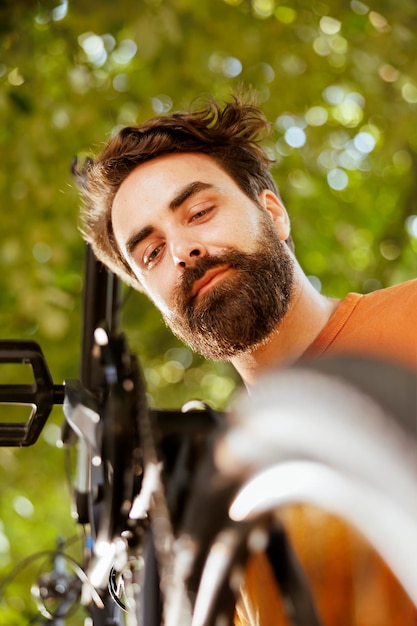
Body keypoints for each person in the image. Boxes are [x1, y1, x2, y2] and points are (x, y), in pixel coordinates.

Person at [74, 95, 417, 625]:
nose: (183, 249)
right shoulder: (217, 513)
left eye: (200, 212)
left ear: (273, 213)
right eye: (151, 253)